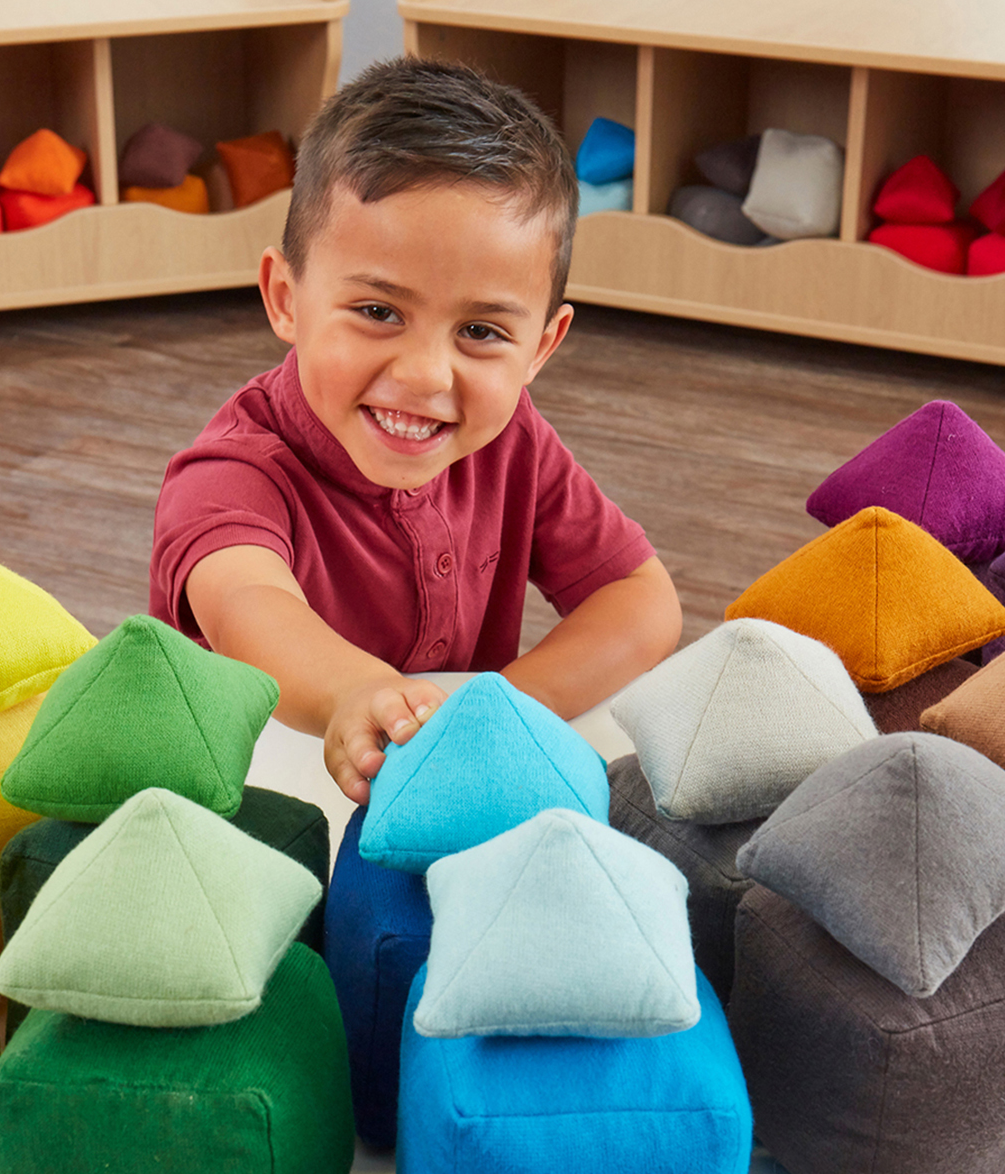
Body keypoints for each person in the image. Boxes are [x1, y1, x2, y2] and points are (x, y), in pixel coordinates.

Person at [149, 55, 682, 803]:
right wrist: (353, 693)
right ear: (286, 298)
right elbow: (248, 603)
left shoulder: (512, 441)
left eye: (481, 331)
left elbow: (639, 597)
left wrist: (499, 713)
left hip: (434, 793)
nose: (427, 374)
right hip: (242, 813)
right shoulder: (231, 474)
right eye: (379, 312)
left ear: (542, 347)